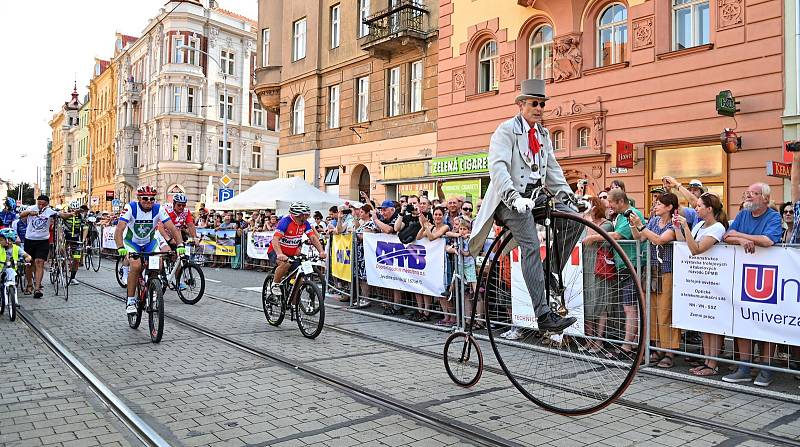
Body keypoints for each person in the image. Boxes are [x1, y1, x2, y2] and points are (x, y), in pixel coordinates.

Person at [468, 78, 580, 333]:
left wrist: (569, 197)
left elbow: (552, 170)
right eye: (534, 103)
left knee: (573, 221)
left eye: (542, 104)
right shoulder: (506, 130)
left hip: (535, 196)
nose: (539, 108)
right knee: (530, 243)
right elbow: (497, 168)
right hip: (510, 201)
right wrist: (514, 198)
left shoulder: (542, 134)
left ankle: (547, 268)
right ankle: (543, 316)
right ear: (521, 105)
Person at [722, 182, 783, 386]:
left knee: (767, 324)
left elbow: (767, 241)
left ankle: (766, 369)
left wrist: (742, 236)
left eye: (753, 194)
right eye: (747, 193)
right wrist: (739, 240)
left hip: (768, 278)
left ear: (765, 198)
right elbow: (726, 235)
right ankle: (744, 368)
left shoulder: (773, 216)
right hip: (743, 276)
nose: (748, 196)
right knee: (743, 321)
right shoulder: (742, 215)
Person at [675, 192, 728, 376]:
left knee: (713, 323)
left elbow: (696, 249)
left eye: (699, 206)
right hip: (699, 276)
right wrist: (678, 228)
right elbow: (684, 245)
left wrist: (686, 228)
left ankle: (713, 364)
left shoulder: (718, 228)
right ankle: (707, 360)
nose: (696, 208)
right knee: (705, 323)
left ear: (709, 208)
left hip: (713, 277)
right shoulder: (699, 225)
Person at [115, 186, 186, 315]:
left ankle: (153, 289)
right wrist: (120, 247)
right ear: (139, 198)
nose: (149, 201)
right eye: (145, 198)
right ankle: (131, 300)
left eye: (152, 199)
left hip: (149, 242)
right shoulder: (130, 207)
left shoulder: (158, 209)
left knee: (157, 265)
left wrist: (180, 244)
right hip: (132, 242)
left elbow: (173, 228)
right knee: (136, 266)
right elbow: (119, 229)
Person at [628, 193, 680, 368]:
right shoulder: (653, 222)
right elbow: (639, 238)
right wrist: (634, 225)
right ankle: (657, 347)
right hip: (652, 270)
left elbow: (659, 240)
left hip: (667, 269)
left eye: (659, 204)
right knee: (654, 310)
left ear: (669, 207)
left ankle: (670, 351)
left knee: (666, 311)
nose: (655, 206)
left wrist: (641, 226)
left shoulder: (674, 224)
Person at [605, 188, 645, 356]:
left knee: (630, 307)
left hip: (632, 264)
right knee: (627, 307)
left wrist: (594, 236)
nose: (609, 206)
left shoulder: (631, 213)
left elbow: (618, 235)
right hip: (624, 264)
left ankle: (627, 346)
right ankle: (631, 343)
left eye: (611, 202)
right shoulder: (621, 216)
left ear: (620, 201)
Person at [19, 195, 75, 298]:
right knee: (29, 263)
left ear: (47, 204)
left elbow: (62, 215)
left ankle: (37, 289)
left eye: (43, 204)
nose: (40, 206)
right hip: (30, 239)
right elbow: (21, 215)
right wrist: (29, 213)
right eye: (39, 203)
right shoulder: (31, 208)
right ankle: (29, 284)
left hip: (43, 241)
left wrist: (71, 214)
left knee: (39, 262)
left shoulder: (50, 211)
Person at [268, 202, 326, 295]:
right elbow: (275, 239)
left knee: (298, 280)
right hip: (276, 250)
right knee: (285, 264)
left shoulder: (305, 223)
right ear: (299, 215)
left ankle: (294, 305)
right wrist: (279, 254)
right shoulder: (285, 222)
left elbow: (313, 238)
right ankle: (275, 284)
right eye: (306, 214)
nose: (308, 216)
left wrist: (321, 251)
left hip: (292, 252)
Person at [62, 200, 86, 285]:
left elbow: (85, 228)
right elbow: (59, 227)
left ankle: (72, 277)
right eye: (72, 209)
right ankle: (60, 266)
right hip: (65, 237)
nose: (74, 211)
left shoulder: (81, 216)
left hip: (75, 238)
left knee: (76, 258)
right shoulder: (65, 215)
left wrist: (83, 239)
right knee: (62, 252)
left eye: (76, 209)